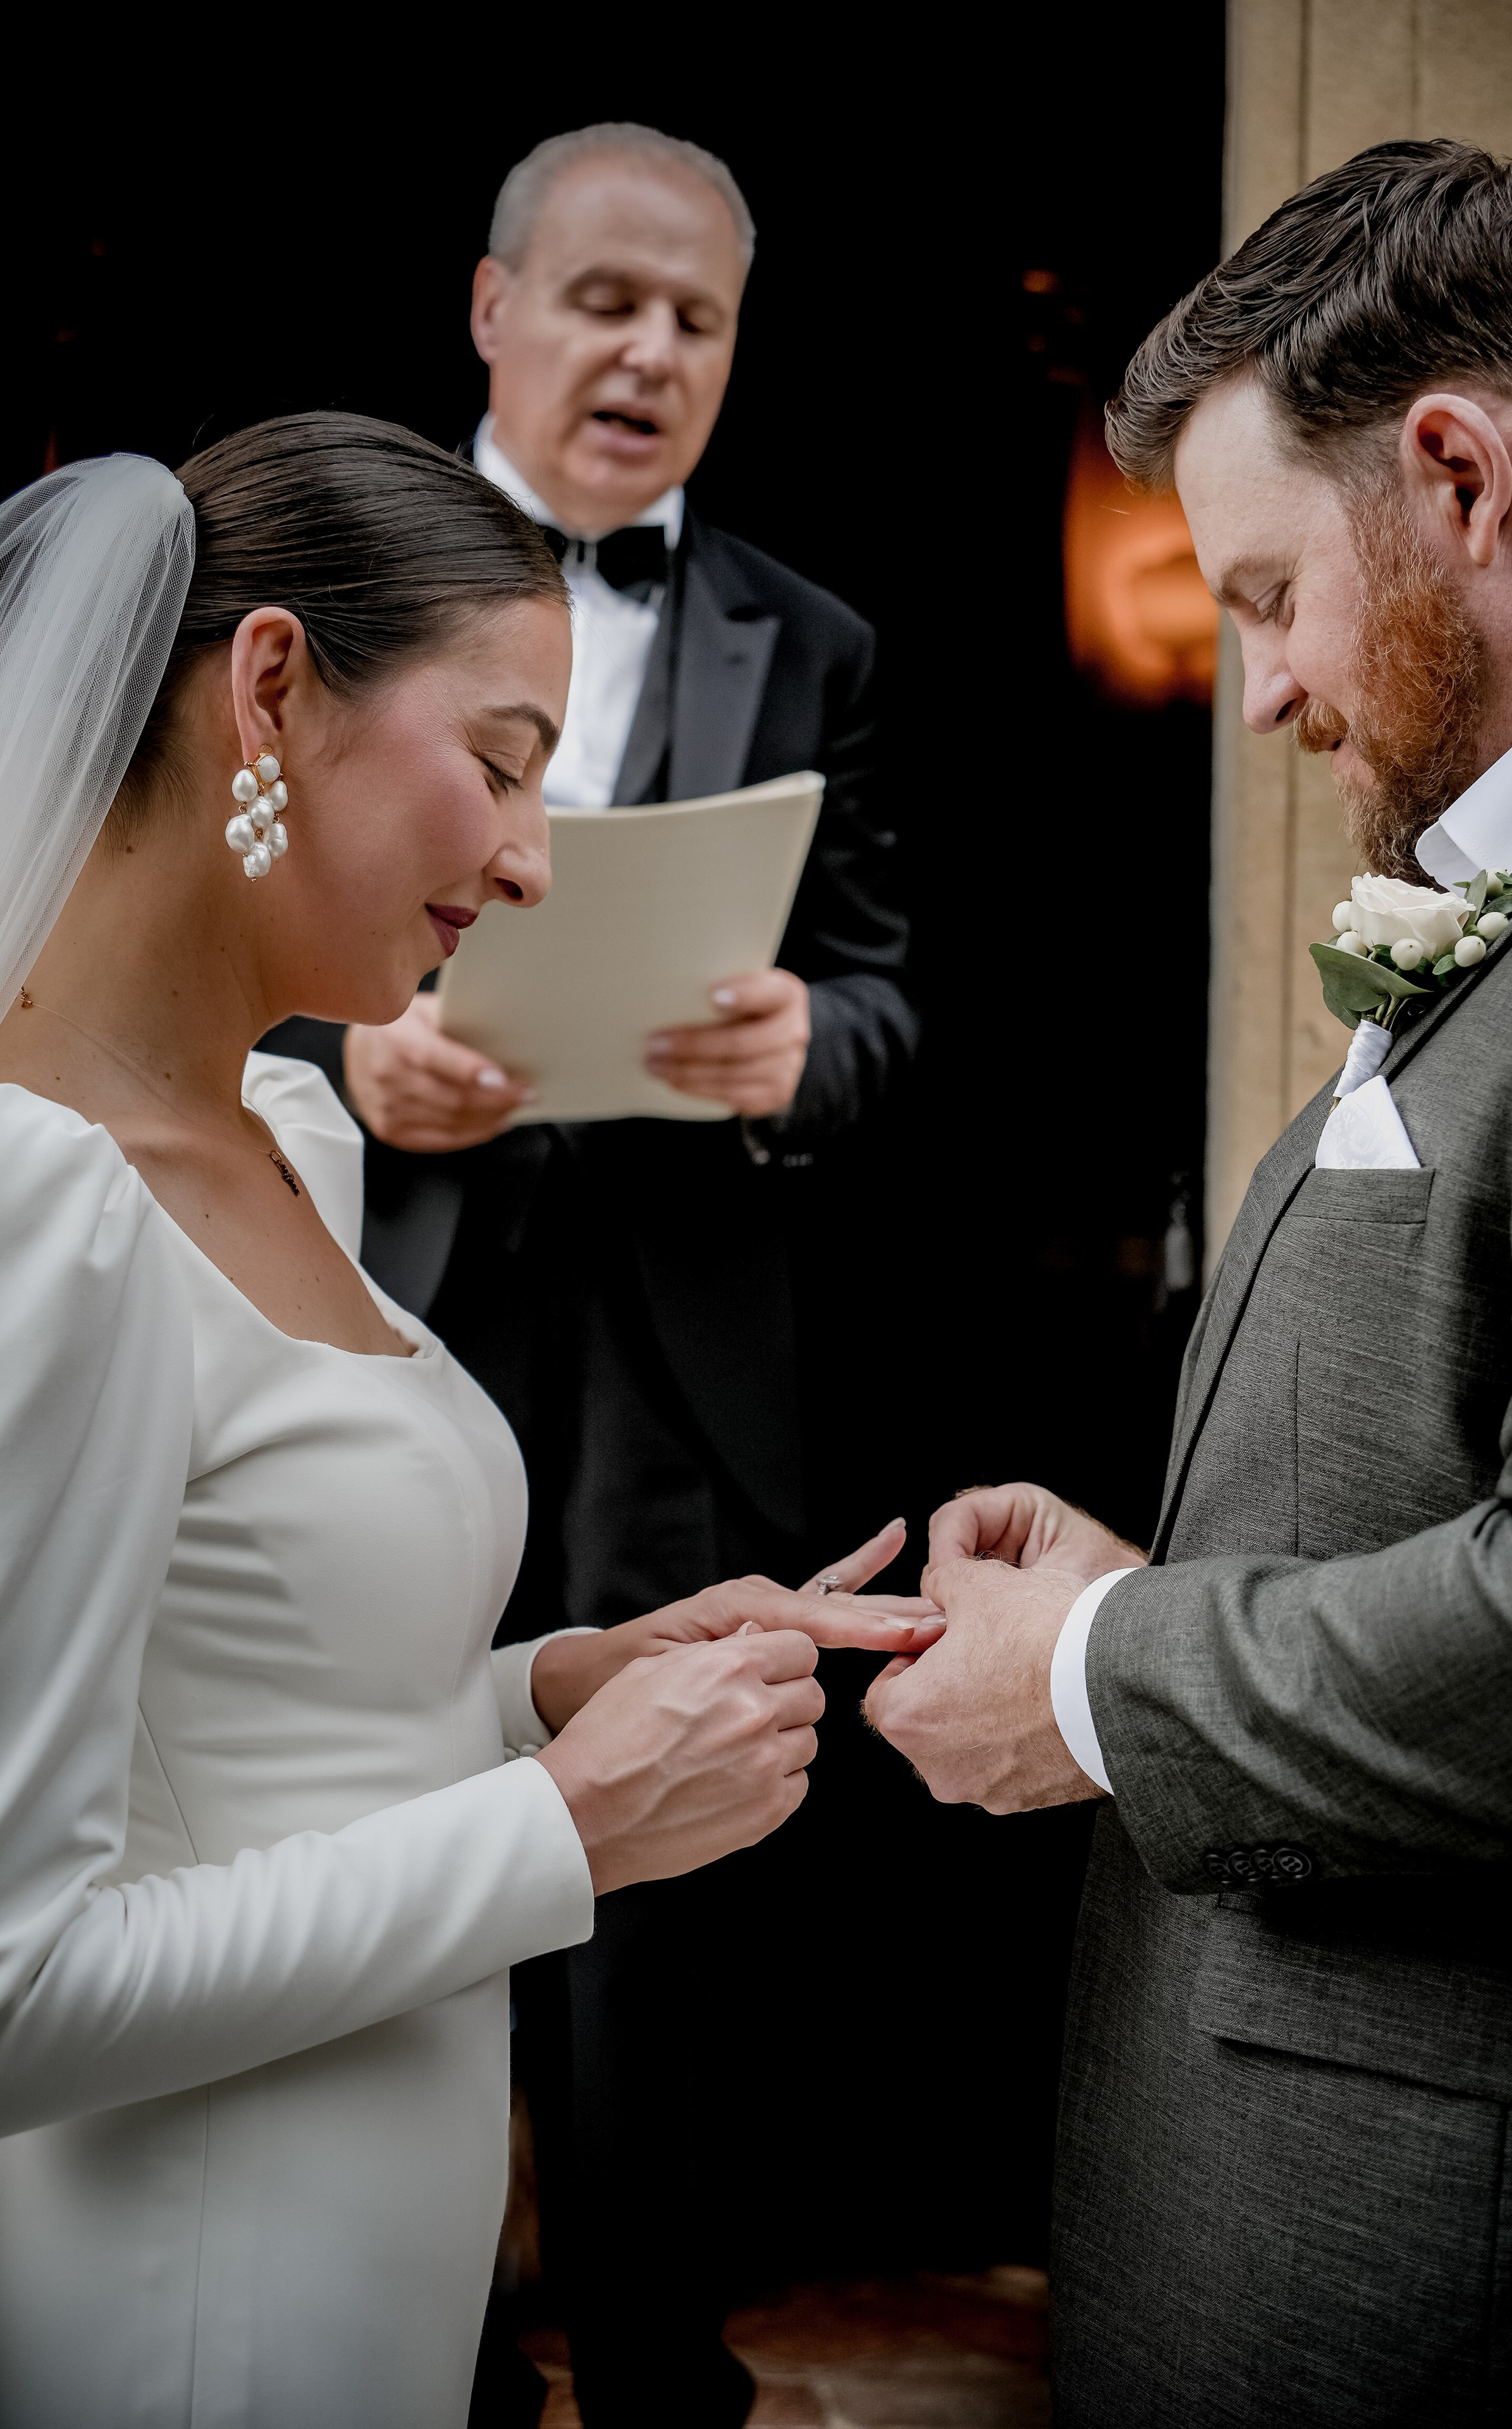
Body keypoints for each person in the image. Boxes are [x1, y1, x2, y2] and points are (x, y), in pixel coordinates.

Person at [0, 418, 935, 2429]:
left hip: (379, 2296)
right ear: (271, 691)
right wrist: (569, 1832)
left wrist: (561, 1690)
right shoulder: (41, 1203)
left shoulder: (296, 1140)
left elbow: (263, 1721)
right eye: (502, 764)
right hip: (194, 2318)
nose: (531, 854)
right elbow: (14, 1990)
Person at [867, 140, 1512, 2425]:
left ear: (1462, 477)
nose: (1263, 685)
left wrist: (1100, 1670)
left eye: (1271, 591)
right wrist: (1160, 1575)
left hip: (1433, 2263)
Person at [263, 124, 918, 2427]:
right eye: (607, 301)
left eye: (700, 321)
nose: (649, 354)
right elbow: (181, 916)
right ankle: (413, 2365)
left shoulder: (810, 640)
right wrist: (350, 1048)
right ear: (490, 309)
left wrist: (795, 1052)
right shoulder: (328, 593)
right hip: (375, 1297)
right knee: (368, 1790)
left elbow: (882, 992)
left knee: (660, 1872)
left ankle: (660, 2374)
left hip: (675, 1351)